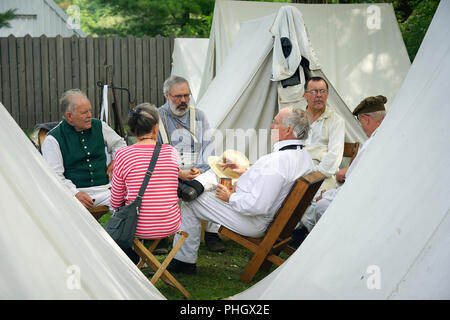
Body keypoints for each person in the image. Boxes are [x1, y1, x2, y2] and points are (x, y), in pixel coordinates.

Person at [166, 106, 314, 274]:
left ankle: (183, 262)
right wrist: (245, 171)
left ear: (287, 130)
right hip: (270, 219)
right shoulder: (304, 157)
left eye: (275, 122)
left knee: (190, 200)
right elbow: (272, 183)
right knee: (217, 175)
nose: (271, 126)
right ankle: (196, 185)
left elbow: (258, 206)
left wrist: (230, 197)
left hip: (254, 222)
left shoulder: (276, 161)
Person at [291, 95, 387, 247]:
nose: (361, 127)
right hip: (301, 169)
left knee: (321, 205)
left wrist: (326, 190)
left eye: (360, 122)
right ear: (305, 95)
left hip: (325, 175)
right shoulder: (382, 138)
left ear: (366, 119)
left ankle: (322, 244)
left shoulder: (368, 141)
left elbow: (352, 181)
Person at [157, 75, 225, 253]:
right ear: (167, 96)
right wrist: (177, 172)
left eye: (186, 96)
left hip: (197, 169)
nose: (183, 101)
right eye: (177, 96)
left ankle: (212, 232)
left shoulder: (199, 115)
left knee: (217, 176)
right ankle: (160, 235)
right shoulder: (156, 117)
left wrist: (199, 170)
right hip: (169, 170)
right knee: (158, 184)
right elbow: (153, 154)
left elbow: (208, 147)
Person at [110, 103, 181, 263]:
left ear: (133, 129)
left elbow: (115, 202)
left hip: (138, 226)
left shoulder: (123, 155)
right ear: (156, 128)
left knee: (123, 212)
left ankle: (131, 262)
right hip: (170, 223)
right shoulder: (171, 152)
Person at [42, 89, 126, 210]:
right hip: (73, 193)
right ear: (69, 116)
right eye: (84, 112)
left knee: (128, 206)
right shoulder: (53, 139)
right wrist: (74, 193)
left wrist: (117, 160)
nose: (89, 115)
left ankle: (112, 230)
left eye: (90, 110)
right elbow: (55, 175)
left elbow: (119, 144)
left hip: (105, 190)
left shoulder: (99, 126)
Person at [302, 76, 345, 191]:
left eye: (322, 91)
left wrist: (314, 176)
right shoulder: (296, 117)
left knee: (313, 202)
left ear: (327, 94)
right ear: (305, 95)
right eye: (314, 91)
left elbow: (334, 156)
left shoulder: (336, 120)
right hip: (297, 171)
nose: (319, 95)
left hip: (322, 176)